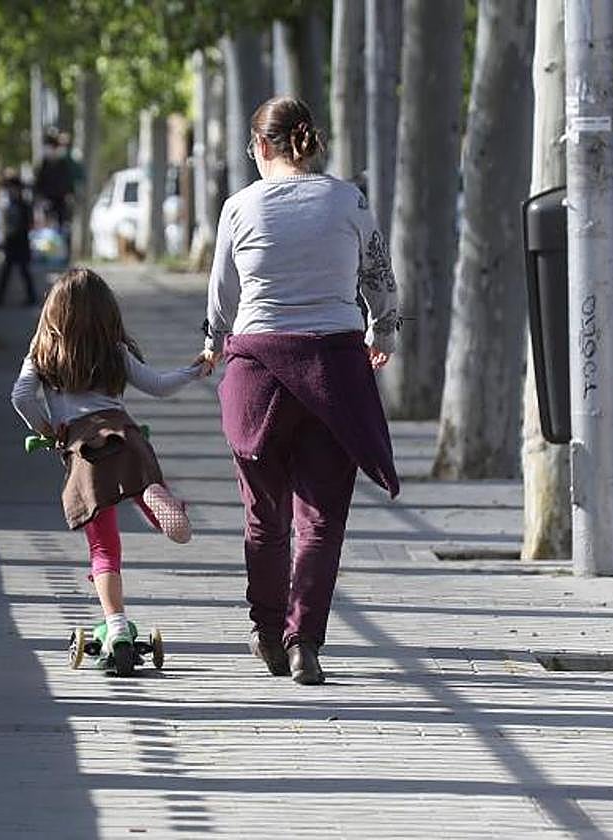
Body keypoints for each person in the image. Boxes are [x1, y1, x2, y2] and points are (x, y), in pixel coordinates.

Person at [203, 96, 400, 685]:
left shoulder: (239, 208)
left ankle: (266, 629)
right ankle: (303, 641)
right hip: (334, 367)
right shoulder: (349, 200)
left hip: (258, 371)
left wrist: (212, 343)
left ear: (262, 147)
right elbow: (379, 277)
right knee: (321, 517)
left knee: (264, 516)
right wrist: (382, 329)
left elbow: (223, 294)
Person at [12, 268, 209, 675]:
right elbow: (157, 385)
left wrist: (48, 430)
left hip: (84, 452)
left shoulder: (44, 353)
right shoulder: (114, 349)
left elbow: (20, 397)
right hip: (125, 435)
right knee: (141, 483)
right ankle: (162, 504)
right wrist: (194, 370)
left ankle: (116, 626)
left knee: (104, 549)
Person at [0, 170, 37, 306]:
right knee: (12, 270)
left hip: (18, 242)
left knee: (20, 270)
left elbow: (23, 225)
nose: (9, 191)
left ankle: (29, 296)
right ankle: (0, 296)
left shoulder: (20, 205)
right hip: (16, 242)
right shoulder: (17, 204)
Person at [34, 129, 73, 231]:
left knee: (61, 225)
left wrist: (68, 194)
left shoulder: (62, 163)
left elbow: (67, 181)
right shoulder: (45, 163)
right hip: (48, 199)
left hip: (60, 200)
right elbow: (39, 181)